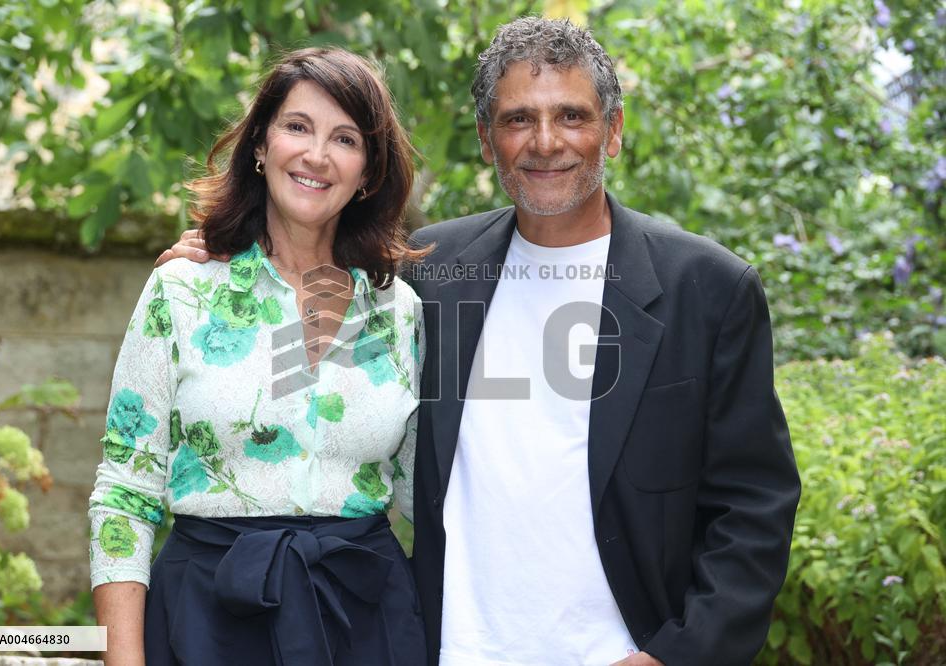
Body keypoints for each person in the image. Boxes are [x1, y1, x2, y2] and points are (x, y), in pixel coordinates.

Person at [161, 17, 801, 666]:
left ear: (613, 130)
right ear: (486, 139)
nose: (545, 142)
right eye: (518, 119)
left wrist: (679, 656)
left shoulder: (708, 289)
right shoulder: (427, 274)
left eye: (572, 116)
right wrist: (222, 261)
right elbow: (306, 290)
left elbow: (753, 506)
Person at [90, 47, 428, 666]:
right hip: (205, 619)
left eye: (345, 138)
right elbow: (123, 493)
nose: (316, 155)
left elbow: (422, 496)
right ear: (260, 145)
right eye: (297, 127)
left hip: (364, 623)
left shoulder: (399, 310)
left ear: (369, 173)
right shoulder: (182, 289)